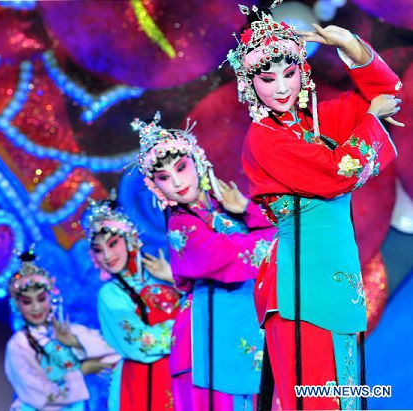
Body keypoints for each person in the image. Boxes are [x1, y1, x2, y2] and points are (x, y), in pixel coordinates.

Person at [226, 2, 403, 409]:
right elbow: (336, 173)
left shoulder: (319, 124)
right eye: (267, 79)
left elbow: (389, 93)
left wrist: (352, 46)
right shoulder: (263, 138)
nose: (282, 87)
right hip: (298, 288)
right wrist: (370, 121)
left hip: (336, 282)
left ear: (303, 71)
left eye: (289, 73)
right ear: (250, 85)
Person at [133, 112, 275, 410]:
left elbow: (280, 230)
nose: (177, 181)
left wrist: (246, 209)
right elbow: (234, 255)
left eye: (181, 168)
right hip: (206, 341)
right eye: (164, 177)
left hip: (245, 329)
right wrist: (265, 235)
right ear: (156, 186)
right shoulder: (181, 227)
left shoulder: (225, 205)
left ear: (196, 161)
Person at [82, 196, 180, 411]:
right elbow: (140, 342)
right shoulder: (110, 295)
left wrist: (174, 278)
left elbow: (198, 306)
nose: (107, 256)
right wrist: (186, 329)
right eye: (98, 250)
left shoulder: (161, 275)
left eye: (112, 244)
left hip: (183, 375)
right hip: (141, 384)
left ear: (130, 239)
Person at [4, 248, 120, 411]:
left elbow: (115, 352)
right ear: (17, 305)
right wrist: (81, 371)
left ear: (51, 299)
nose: (36, 308)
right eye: (27, 302)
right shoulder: (18, 345)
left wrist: (75, 344)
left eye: (41, 299)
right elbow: (39, 394)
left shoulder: (69, 331)